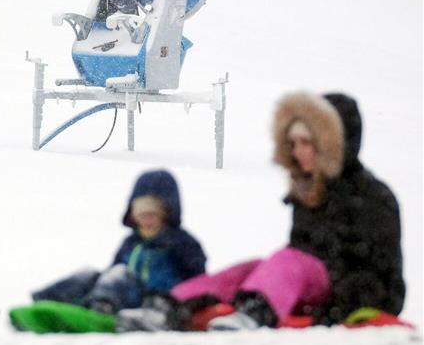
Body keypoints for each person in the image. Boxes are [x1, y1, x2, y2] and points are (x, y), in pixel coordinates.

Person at [118, 91, 405, 332]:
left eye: (307, 143)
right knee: (253, 267)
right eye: (293, 144)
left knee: (290, 261)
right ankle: (166, 307)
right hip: (307, 285)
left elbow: (381, 277)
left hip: (350, 299)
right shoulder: (310, 192)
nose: (298, 152)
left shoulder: (371, 197)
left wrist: (330, 309)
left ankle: (255, 314)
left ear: (330, 145)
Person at [29, 169, 206, 315]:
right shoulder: (130, 243)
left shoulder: (182, 242)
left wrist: (178, 305)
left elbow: (198, 280)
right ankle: (48, 302)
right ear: (133, 215)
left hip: (156, 301)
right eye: (141, 215)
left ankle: (101, 309)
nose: (147, 220)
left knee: (120, 274)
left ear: (166, 214)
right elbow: (111, 273)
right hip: (123, 295)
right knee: (89, 274)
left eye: (152, 215)